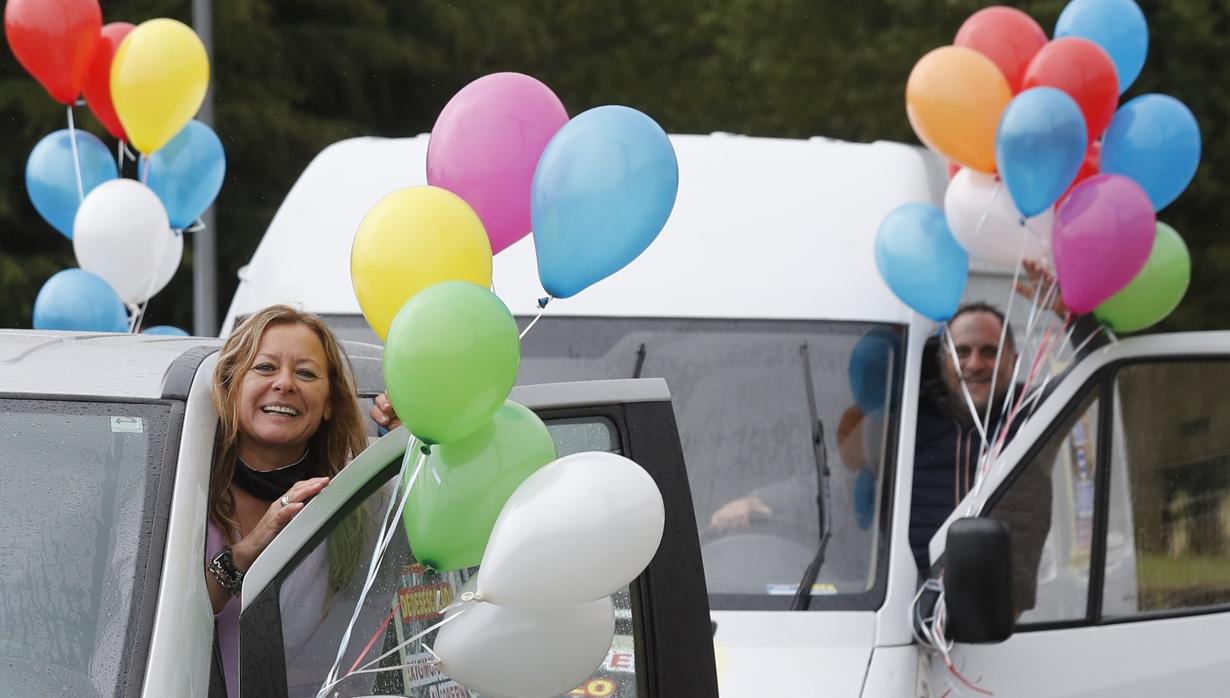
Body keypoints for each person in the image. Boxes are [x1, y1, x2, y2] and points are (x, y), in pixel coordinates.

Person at [203, 304, 399, 697]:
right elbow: (152, 620)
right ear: (231, 384)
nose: (285, 383)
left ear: (329, 404)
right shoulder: (184, 486)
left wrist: (409, 447)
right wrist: (251, 549)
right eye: (264, 368)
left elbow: (440, 548)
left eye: (306, 373)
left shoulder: (360, 497)